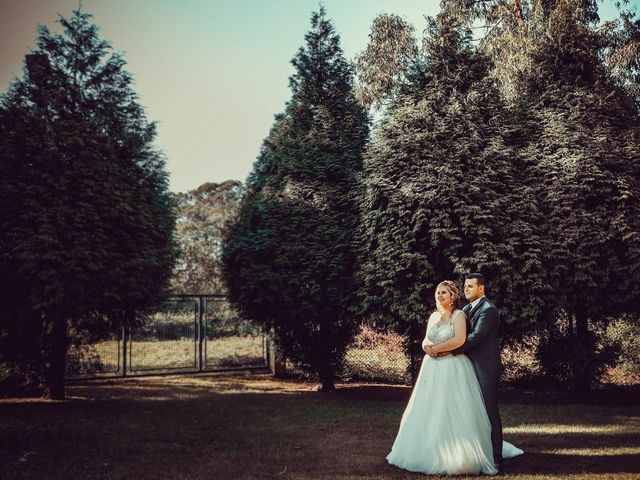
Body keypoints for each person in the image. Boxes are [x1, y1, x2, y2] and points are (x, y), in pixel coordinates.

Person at [386, 278, 522, 476]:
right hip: (432, 367)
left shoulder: (470, 312)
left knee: (470, 408)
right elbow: (426, 339)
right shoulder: (436, 315)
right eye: (438, 292)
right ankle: (429, 449)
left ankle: (492, 454)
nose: (440, 295)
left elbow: (463, 339)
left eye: (444, 292)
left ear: (452, 296)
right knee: (430, 408)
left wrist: (441, 350)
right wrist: (427, 349)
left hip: (460, 365)